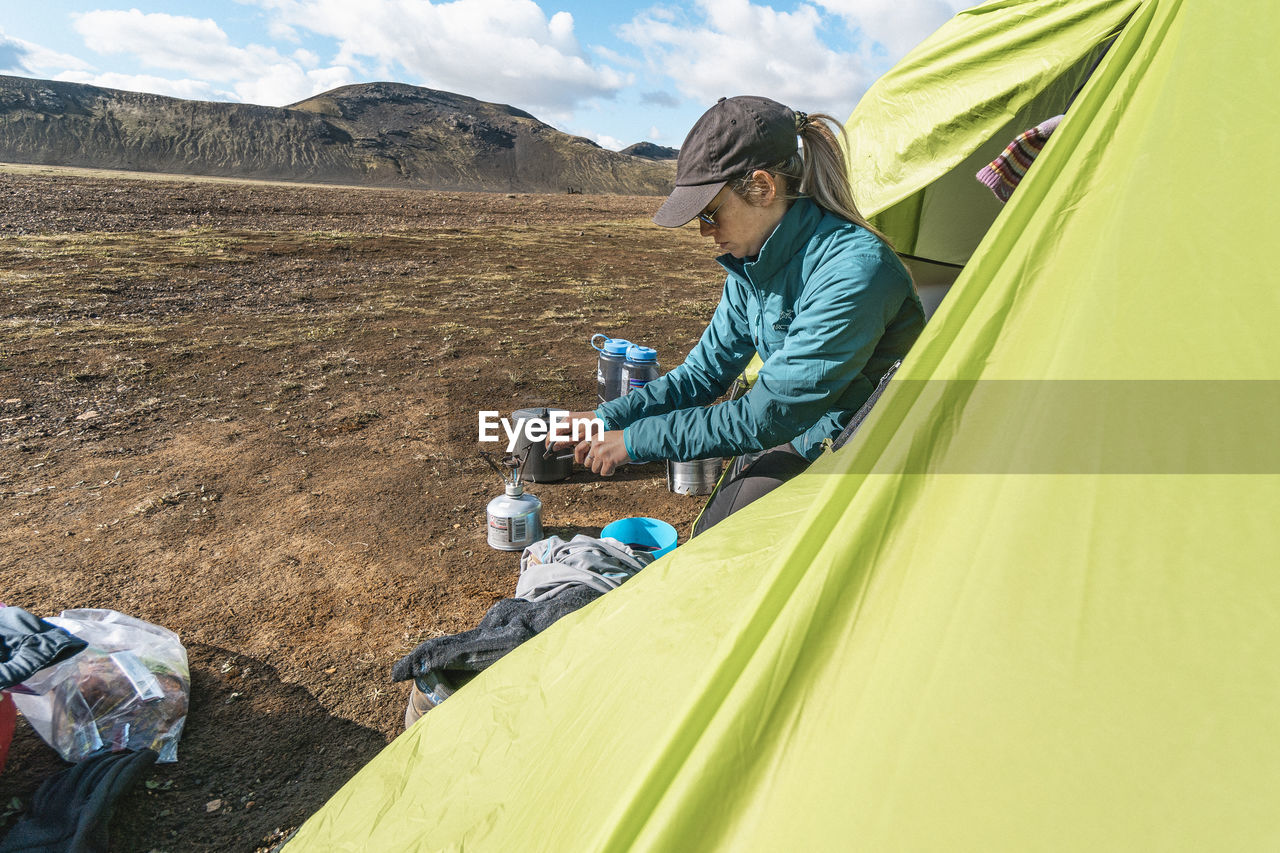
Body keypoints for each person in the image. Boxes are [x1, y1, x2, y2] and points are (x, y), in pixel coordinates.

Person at [562, 95, 925, 535]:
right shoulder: (752, 267)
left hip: (864, 454)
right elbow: (703, 374)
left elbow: (766, 415)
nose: (704, 232)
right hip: (804, 435)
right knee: (714, 538)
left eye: (711, 213)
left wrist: (637, 442)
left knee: (722, 545)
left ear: (763, 187)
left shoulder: (855, 271)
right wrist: (611, 417)